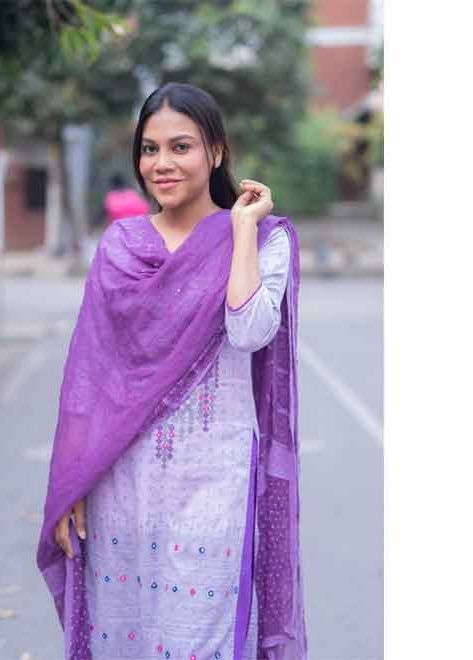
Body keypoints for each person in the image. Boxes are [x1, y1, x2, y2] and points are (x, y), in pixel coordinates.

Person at [37, 82, 308, 660]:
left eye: (180, 147)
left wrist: (240, 230)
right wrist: (73, 483)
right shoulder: (121, 245)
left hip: (214, 484)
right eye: (149, 148)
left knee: (196, 641)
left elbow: (249, 329)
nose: (161, 163)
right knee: (125, 640)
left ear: (216, 151)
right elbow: (90, 380)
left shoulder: (266, 240)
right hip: (120, 487)